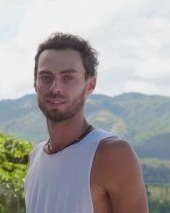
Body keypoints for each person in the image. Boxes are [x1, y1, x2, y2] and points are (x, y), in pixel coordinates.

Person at [25, 32, 148, 213]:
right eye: (46, 77)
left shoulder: (112, 154)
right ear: (35, 84)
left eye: (68, 78)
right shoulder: (36, 156)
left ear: (90, 85)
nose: (55, 88)